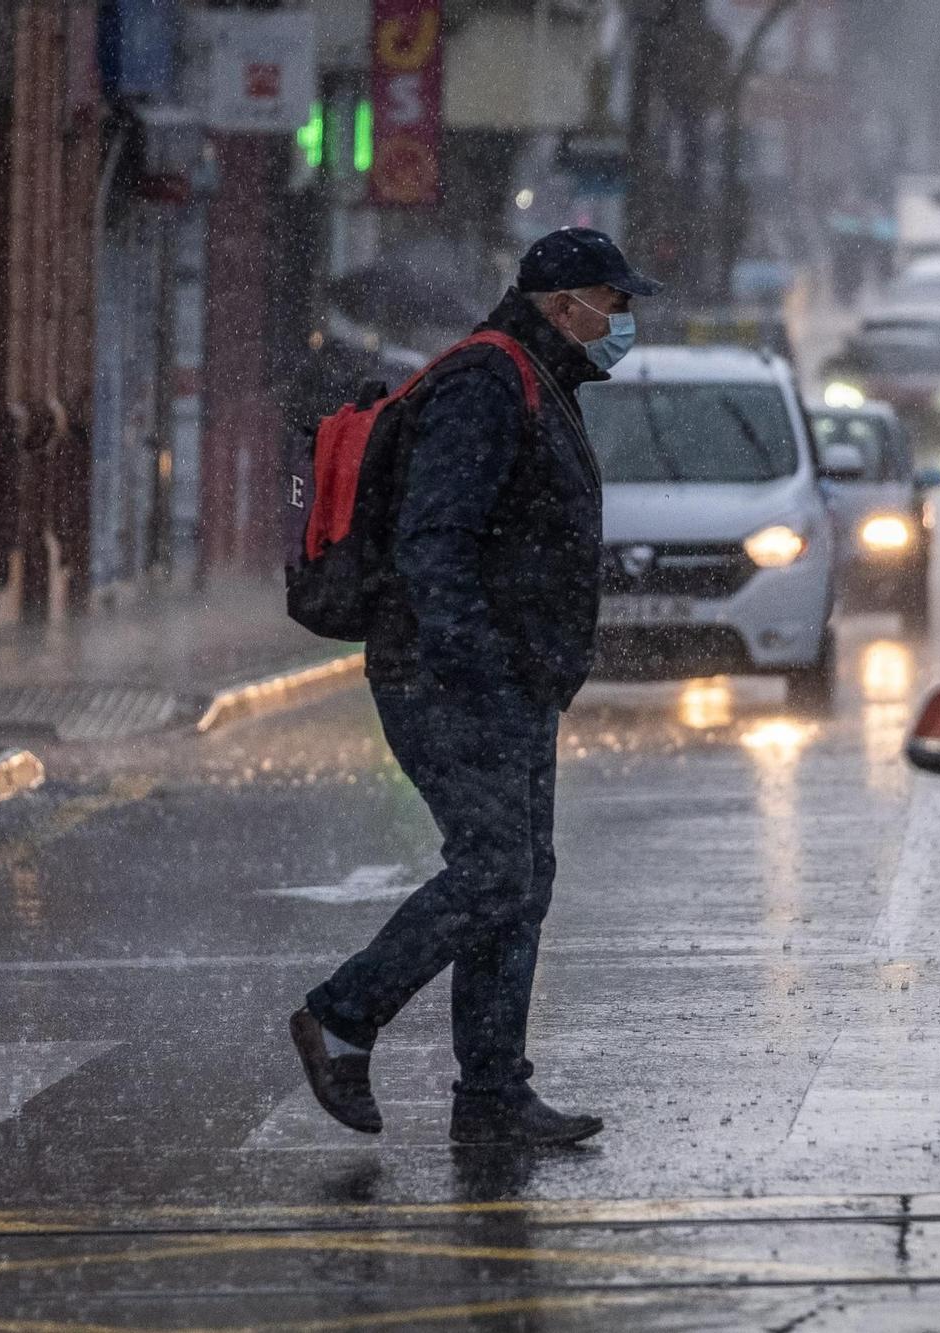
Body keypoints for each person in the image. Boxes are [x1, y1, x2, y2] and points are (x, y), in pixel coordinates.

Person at [289, 227, 661, 1147]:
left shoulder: (538, 379)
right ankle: (342, 1015)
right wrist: (474, 661)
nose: (622, 323)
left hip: (508, 678)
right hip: (453, 679)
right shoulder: (487, 381)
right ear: (563, 304)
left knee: (519, 880)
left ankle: (493, 1094)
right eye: (614, 305)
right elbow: (434, 540)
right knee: (496, 870)